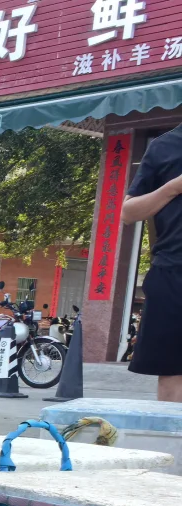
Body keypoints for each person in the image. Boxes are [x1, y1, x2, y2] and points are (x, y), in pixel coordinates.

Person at [122, 122, 182, 401]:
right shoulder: (163, 146)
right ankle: (172, 443)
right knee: (172, 372)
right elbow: (128, 212)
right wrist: (171, 188)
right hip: (173, 272)